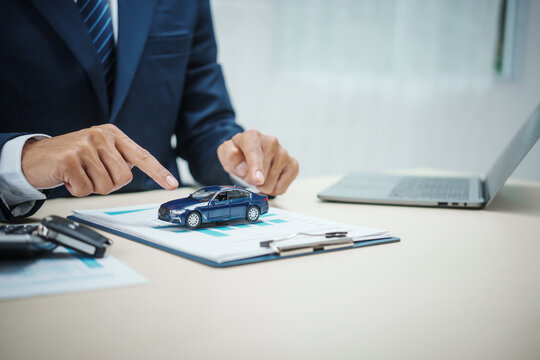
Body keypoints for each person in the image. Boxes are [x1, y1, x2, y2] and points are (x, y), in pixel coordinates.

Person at [0, 0, 299, 221]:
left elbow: (205, 123)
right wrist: (20, 158)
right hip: (33, 220)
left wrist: (242, 160)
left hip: (155, 226)